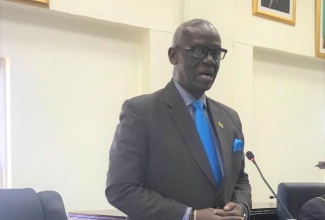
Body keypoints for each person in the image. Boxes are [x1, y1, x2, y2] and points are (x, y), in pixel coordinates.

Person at [105, 19, 251, 220]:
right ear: (173, 55)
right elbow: (120, 189)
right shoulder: (141, 112)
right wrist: (189, 216)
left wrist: (242, 206)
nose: (210, 60)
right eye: (199, 51)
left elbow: (240, 180)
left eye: (215, 53)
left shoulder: (230, 117)